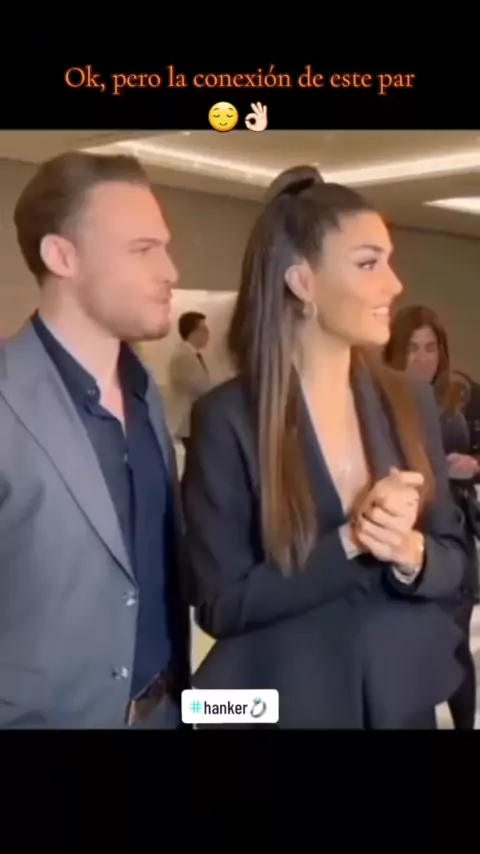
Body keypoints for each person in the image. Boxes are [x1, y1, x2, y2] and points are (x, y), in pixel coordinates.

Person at [182, 165, 467, 729]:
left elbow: (454, 560)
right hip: (285, 705)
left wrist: (410, 552)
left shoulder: (409, 402)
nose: (394, 284)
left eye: (388, 261)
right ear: (302, 283)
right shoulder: (228, 419)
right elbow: (220, 605)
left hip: (400, 702)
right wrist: (352, 541)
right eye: (368, 263)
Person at [0, 151, 190, 728]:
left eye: (164, 246)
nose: (170, 271)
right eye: (142, 249)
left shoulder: (145, 393)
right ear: (62, 256)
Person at [384, 304, 478, 729]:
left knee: (455, 642)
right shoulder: (381, 401)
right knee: (409, 647)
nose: (423, 358)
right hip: (406, 534)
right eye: (413, 348)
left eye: (430, 347)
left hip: (454, 529)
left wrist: (474, 466)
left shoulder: (456, 397)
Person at [169, 311, 212, 453]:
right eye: (203, 329)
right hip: (188, 422)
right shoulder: (183, 357)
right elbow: (202, 387)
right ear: (192, 332)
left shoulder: (192, 355)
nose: (207, 333)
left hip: (194, 422)